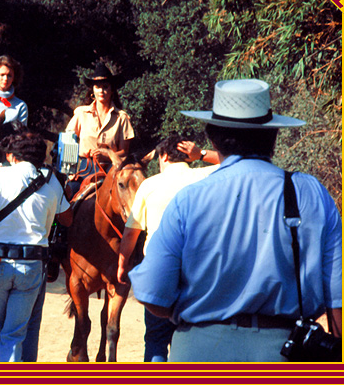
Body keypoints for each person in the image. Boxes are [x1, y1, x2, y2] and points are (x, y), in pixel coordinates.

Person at [129, 79, 342, 362]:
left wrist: (197, 311)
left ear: (212, 136)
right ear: (273, 135)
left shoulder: (189, 200)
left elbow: (152, 294)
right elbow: (337, 297)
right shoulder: (310, 193)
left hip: (199, 353)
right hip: (285, 354)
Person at [0, 131, 72, 362]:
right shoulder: (51, 183)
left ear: (12, 157)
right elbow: (58, 223)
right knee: (15, 334)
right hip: (32, 264)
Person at [117, 133, 218, 362]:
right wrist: (201, 154)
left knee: (156, 339)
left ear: (163, 156)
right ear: (188, 157)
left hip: (160, 270)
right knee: (194, 339)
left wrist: (123, 264)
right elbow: (233, 161)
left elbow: (131, 233)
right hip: (198, 270)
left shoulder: (150, 184)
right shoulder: (205, 176)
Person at [65, 63, 134, 194]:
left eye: (105, 86)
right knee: (68, 193)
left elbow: (124, 152)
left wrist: (107, 154)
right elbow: (68, 141)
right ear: (93, 90)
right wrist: (70, 171)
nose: (101, 91)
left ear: (112, 90)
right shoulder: (81, 113)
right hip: (85, 167)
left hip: (112, 168)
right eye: (97, 87)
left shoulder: (122, 117)